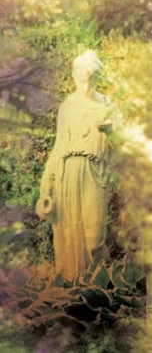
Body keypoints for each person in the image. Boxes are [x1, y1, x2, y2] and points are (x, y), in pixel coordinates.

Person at [35, 50, 112, 281]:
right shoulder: (68, 107)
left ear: (97, 76)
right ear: (74, 76)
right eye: (80, 72)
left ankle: (97, 288)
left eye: (89, 73)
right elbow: (59, 147)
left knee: (94, 237)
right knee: (69, 233)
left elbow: (125, 148)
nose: (84, 77)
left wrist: (113, 133)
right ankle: (72, 288)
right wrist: (46, 187)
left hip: (96, 172)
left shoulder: (107, 106)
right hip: (67, 173)